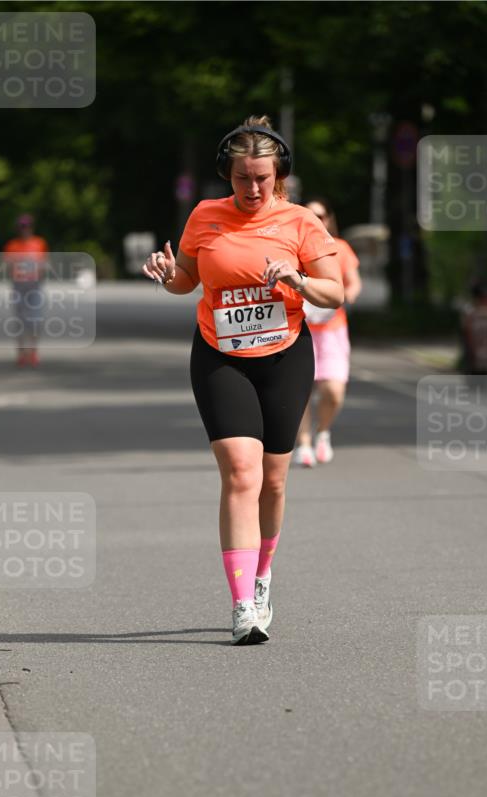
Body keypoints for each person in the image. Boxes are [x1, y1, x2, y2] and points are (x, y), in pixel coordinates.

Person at [143, 115, 343, 645]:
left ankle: (261, 578)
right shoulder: (206, 216)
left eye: (262, 178)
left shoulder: (300, 222)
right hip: (219, 354)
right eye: (241, 178)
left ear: (278, 175)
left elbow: (335, 292)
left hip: (284, 358)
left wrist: (298, 279)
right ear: (226, 176)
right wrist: (168, 277)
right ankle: (242, 608)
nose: (252, 188)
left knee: (273, 480)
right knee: (240, 471)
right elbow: (187, 281)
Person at [293, 198, 362, 467]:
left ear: (329, 219)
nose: (317, 220)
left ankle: (322, 432)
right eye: (311, 215)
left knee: (333, 390)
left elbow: (353, 282)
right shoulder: (294, 246)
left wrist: (350, 295)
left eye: (321, 216)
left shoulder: (340, 248)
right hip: (299, 328)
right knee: (300, 391)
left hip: (332, 330)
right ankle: (304, 444)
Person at [3, 214, 49, 368]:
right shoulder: (12, 245)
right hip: (19, 286)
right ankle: (21, 353)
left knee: (35, 320)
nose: (25, 230)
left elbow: (44, 264)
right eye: (22, 227)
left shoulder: (39, 243)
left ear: (32, 227)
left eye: (27, 226)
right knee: (20, 321)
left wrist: (37, 273)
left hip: (34, 286)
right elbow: (8, 266)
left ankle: (33, 351)